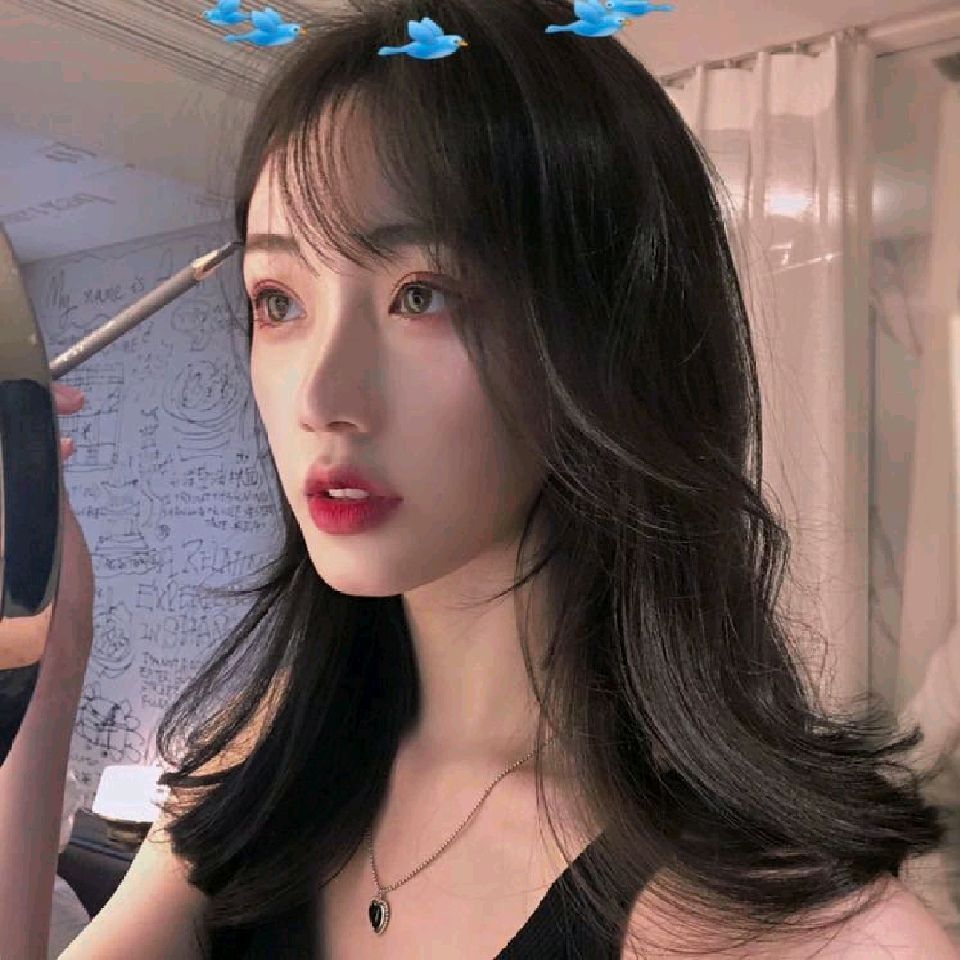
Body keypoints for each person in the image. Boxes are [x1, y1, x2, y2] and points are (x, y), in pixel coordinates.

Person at [2, 0, 958, 957]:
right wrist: (44, 639)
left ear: (604, 333)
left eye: (420, 295)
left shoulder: (788, 934)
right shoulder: (271, 759)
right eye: (280, 301)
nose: (321, 397)